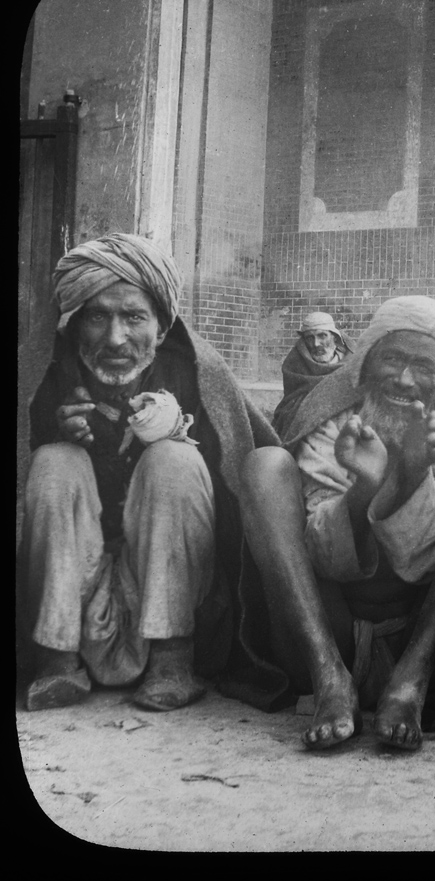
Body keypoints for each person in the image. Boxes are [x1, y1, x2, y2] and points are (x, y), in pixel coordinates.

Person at [239, 296, 435, 751]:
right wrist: (364, 490)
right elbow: (324, 558)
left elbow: (431, 567)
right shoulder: (332, 420)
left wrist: (413, 475)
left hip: (425, 649)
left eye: (422, 366)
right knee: (265, 465)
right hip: (325, 633)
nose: (404, 379)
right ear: (365, 363)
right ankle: (330, 681)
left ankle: (409, 682)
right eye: (392, 359)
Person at [19, 233, 280, 713]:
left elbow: (247, 484)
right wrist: (52, 435)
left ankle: (172, 661)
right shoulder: (44, 380)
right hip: (78, 602)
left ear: (161, 329)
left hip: (179, 600)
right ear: (76, 326)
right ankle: (56, 662)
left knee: (174, 460)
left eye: (134, 317)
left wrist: (176, 432)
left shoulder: (198, 377)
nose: (116, 338)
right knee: (54, 462)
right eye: (98, 316)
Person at [272, 311, 355, 436]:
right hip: (308, 426)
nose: (316, 344)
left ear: (334, 337)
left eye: (322, 336)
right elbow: (290, 404)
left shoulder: (353, 363)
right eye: (310, 338)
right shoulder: (295, 365)